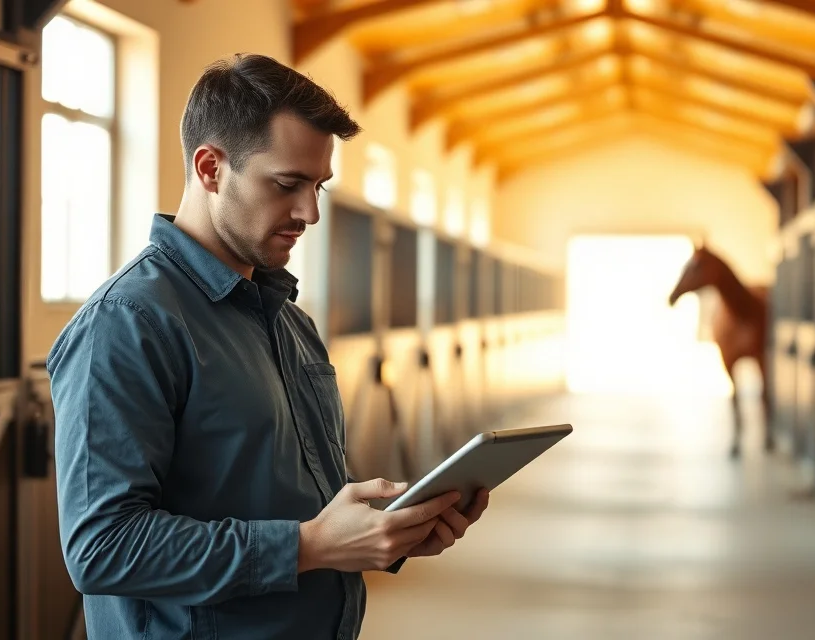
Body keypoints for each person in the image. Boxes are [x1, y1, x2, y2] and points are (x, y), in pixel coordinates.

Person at [46, 53, 490, 640]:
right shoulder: (127, 324)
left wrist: (386, 533)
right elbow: (103, 548)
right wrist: (308, 546)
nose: (310, 212)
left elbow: (305, 506)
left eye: (318, 186)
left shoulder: (289, 322)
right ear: (210, 168)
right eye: (287, 184)